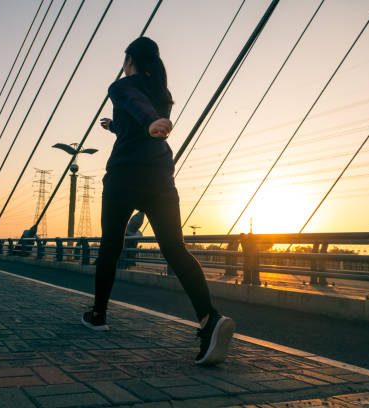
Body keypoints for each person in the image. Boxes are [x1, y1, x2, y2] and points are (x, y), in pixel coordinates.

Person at [80, 37, 235, 365]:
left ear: (129, 60)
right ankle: (209, 319)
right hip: (160, 179)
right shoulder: (162, 93)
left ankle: (98, 314)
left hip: (124, 177)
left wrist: (152, 121)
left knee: (111, 246)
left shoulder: (122, 87)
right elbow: (134, 120)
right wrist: (115, 126)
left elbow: (137, 105)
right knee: (175, 248)